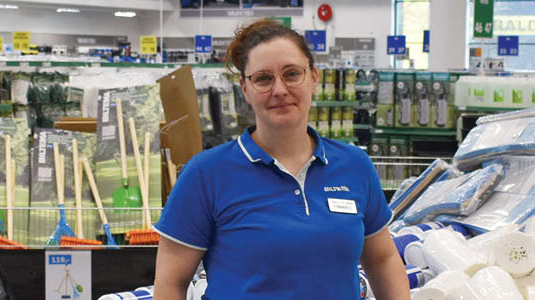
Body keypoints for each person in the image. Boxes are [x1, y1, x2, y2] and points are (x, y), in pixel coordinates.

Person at [153, 19, 410, 300]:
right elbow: (170, 285)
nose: (279, 90)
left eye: (291, 74)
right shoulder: (205, 174)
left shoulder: (354, 165)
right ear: (245, 89)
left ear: (313, 78)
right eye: (263, 78)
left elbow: (382, 260)